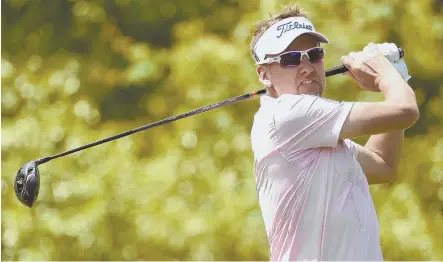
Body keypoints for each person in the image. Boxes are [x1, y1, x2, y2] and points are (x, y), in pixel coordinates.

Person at [249, 3, 419, 261]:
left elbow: (382, 164)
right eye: (291, 59)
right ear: (264, 74)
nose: (306, 67)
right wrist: (383, 70)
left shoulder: (316, 135)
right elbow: (406, 110)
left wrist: (395, 77)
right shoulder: (287, 113)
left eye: (314, 55)